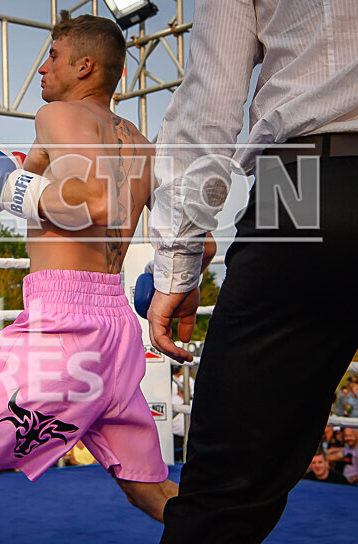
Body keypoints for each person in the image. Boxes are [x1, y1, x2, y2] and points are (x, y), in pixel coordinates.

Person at [0, 12, 179, 543]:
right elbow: (195, 237)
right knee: (149, 488)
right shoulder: (143, 146)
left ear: (84, 65)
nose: (42, 66)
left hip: (64, 327)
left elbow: (90, 201)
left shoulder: (58, 116)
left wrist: (10, 189)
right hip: (117, 327)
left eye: (52, 55)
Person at [145, 1, 358, 541]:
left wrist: (178, 266)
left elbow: (209, 108)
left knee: (223, 499)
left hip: (309, 183)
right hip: (310, 185)